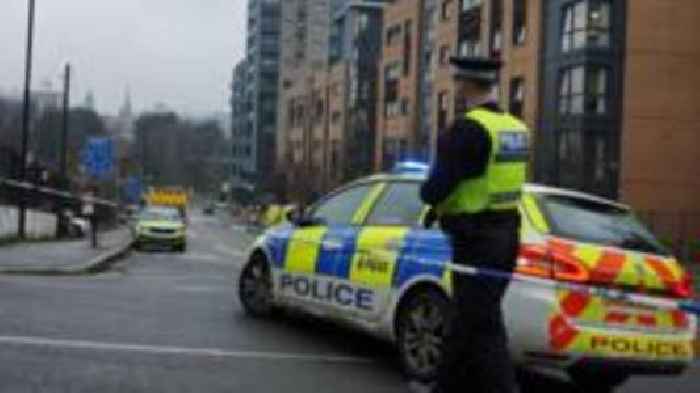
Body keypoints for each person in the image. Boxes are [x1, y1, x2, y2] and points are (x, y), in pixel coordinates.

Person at [415, 56, 530, 393]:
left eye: (457, 82)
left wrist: (430, 198)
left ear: (465, 85)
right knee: (467, 319)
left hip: (475, 238)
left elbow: (437, 187)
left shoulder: (467, 129)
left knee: (483, 324)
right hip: (507, 234)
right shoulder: (515, 128)